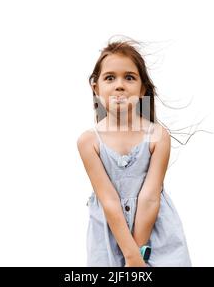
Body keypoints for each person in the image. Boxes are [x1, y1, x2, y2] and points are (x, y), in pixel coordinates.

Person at [77, 37, 192, 267]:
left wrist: (137, 255)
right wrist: (130, 255)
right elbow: (108, 200)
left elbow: (150, 197)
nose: (120, 85)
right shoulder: (89, 141)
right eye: (110, 78)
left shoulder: (157, 136)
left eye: (129, 77)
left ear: (142, 90)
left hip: (155, 234)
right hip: (109, 236)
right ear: (96, 87)